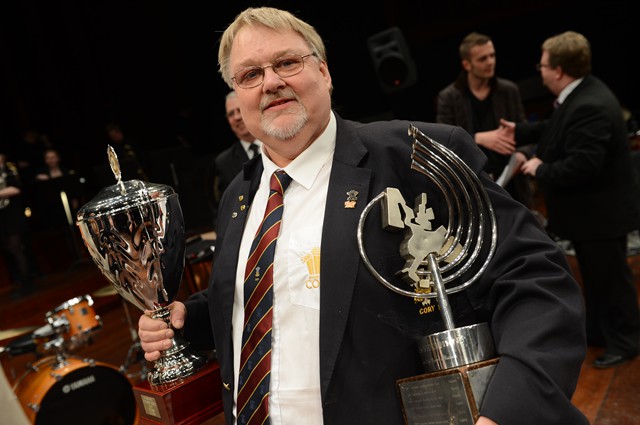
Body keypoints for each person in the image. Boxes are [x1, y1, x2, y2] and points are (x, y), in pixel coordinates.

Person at [138, 8, 589, 425]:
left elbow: (536, 281)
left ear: (324, 71)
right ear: (237, 95)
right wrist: (185, 319)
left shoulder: (416, 158)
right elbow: (274, 291)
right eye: (250, 74)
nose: (270, 82)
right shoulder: (240, 194)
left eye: (286, 63)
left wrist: (507, 412)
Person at [500, 31, 640, 370]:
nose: (541, 71)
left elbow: (584, 164)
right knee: (595, 279)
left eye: (543, 65)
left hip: (601, 216)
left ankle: (626, 341)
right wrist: (520, 130)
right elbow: (559, 125)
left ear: (559, 70)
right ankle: (601, 333)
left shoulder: (589, 104)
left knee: (611, 282)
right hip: (592, 216)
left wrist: (540, 167)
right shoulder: (582, 94)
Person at [437, 32, 533, 207]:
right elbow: (442, 141)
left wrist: (522, 153)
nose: (490, 62)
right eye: (483, 59)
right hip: (474, 182)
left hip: (512, 181)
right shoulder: (449, 97)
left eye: (492, 55)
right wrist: (478, 138)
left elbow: (523, 128)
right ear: (467, 64)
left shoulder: (508, 90)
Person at [207, 90, 261, 226]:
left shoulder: (278, 145)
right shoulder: (222, 163)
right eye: (231, 114)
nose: (236, 117)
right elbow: (220, 211)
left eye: (239, 110)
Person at [0, 152, 37, 299]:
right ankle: (21, 281)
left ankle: (28, 282)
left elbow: (15, 189)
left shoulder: (8, 172)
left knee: (16, 247)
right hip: (2, 217)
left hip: (12, 215)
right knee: (8, 248)